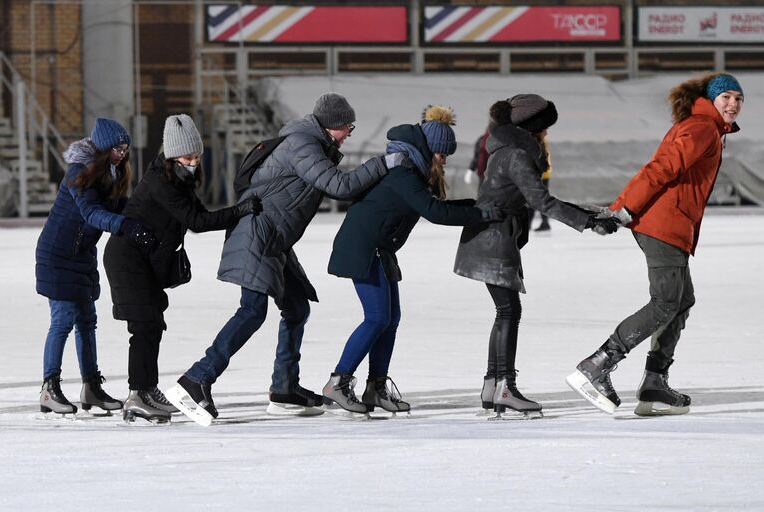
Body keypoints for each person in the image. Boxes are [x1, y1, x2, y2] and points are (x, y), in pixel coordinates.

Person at [166, 92, 396, 426]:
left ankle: (284, 388)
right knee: (252, 311)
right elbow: (339, 186)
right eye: (348, 127)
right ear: (332, 126)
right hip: (257, 236)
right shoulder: (302, 145)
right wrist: (382, 163)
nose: (349, 134)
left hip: (274, 240)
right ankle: (196, 380)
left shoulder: (313, 145)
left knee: (297, 307)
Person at [566, 72, 745, 416]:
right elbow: (660, 168)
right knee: (665, 302)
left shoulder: (706, 128)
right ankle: (596, 365)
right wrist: (624, 209)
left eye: (739, 99)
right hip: (663, 224)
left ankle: (654, 383)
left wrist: (622, 208)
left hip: (670, 224)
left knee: (681, 300)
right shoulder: (702, 127)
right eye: (726, 97)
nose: (733, 104)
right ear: (711, 99)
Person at [322, 105, 504, 415]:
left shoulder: (411, 170)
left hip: (380, 248)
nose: (444, 160)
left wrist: (475, 205)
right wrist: (482, 213)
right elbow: (434, 212)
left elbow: (435, 205)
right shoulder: (402, 171)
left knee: (390, 320)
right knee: (377, 318)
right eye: (442, 154)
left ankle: (375, 387)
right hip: (365, 247)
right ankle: (337, 383)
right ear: (430, 149)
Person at [453, 95, 619, 419]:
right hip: (493, 240)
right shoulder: (516, 155)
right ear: (532, 128)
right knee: (508, 312)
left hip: (492, 237)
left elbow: (538, 199)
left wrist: (592, 212)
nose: (547, 135)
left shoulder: (505, 151)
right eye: (544, 129)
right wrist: (587, 222)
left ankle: (492, 384)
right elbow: (542, 201)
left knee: (505, 311)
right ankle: (504, 387)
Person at [103, 114, 262, 424]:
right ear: (173, 154)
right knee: (144, 326)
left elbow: (198, 213)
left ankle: (147, 390)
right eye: (189, 156)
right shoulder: (160, 181)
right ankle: (138, 395)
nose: (194, 161)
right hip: (126, 259)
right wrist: (240, 211)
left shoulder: (178, 178)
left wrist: (234, 213)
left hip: (142, 260)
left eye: (197, 155)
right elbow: (197, 222)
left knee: (152, 325)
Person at [35, 118, 150, 416]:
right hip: (57, 255)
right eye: (116, 148)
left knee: (87, 320)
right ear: (102, 147)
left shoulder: (111, 173)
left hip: (81, 255)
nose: (122, 154)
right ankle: (49, 388)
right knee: (62, 319)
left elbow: (116, 206)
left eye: (125, 149)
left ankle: (90, 387)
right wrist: (125, 225)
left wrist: (144, 211)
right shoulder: (79, 172)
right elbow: (91, 213)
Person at [527, 139, 552, 232]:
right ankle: (541, 222)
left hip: (540, 174)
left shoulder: (537, 139)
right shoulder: (540, 139)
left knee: (533, 198)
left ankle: (541, 222)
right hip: (543, 174)